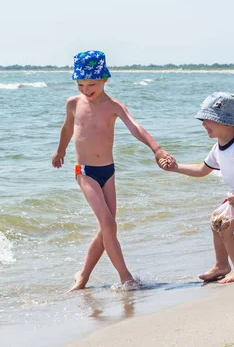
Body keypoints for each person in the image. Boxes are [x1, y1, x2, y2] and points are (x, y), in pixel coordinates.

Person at [52, 50, 174, 292]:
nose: (86, 90)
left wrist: (157, 150)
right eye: (81, 84)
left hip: (108, 171)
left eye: (92, 84)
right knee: (108, 224)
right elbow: (67, 128)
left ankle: (83, 275)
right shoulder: (73, 103)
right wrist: (60, 151)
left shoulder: (113, 106)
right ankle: (126, 277)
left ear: (105, 79)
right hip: (84, 170)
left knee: (107, 227)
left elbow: (135, 128)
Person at [162, 92, 234, 283]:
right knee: (216, 223)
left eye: (208, 120)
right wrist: (175, 168)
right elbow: (202, 170)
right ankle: (221, 266)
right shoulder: (219, 147)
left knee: (225, 229)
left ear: (226, 122)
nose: (203, 124)